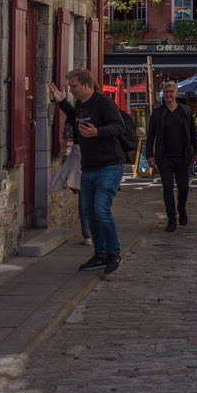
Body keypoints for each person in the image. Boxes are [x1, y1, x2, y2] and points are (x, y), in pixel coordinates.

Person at [49, 68, 125, 276]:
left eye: (73, 86)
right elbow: (75, 118)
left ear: (85, 85)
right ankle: (100, 254)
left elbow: (119, 127)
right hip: (88, 168)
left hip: (110, 165)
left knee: (101, 209)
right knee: (90, 213)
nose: (71, 90)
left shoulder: (103, 103)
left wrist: (97, 132)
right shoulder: (80, 105)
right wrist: (62, 102)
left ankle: (114, 254)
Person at [146, 80, 197, 233]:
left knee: (184, 187)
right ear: (163, 93)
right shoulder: (158, 113)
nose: (168, 94)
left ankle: (181, 207)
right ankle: (171, 219)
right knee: (167, 188)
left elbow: (192, 134)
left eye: (171, 91)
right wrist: (150, 155)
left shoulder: (185, 111)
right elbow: (150, 137)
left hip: (182, 157)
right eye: (166, 91)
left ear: (176, 93)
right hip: (165, 158)